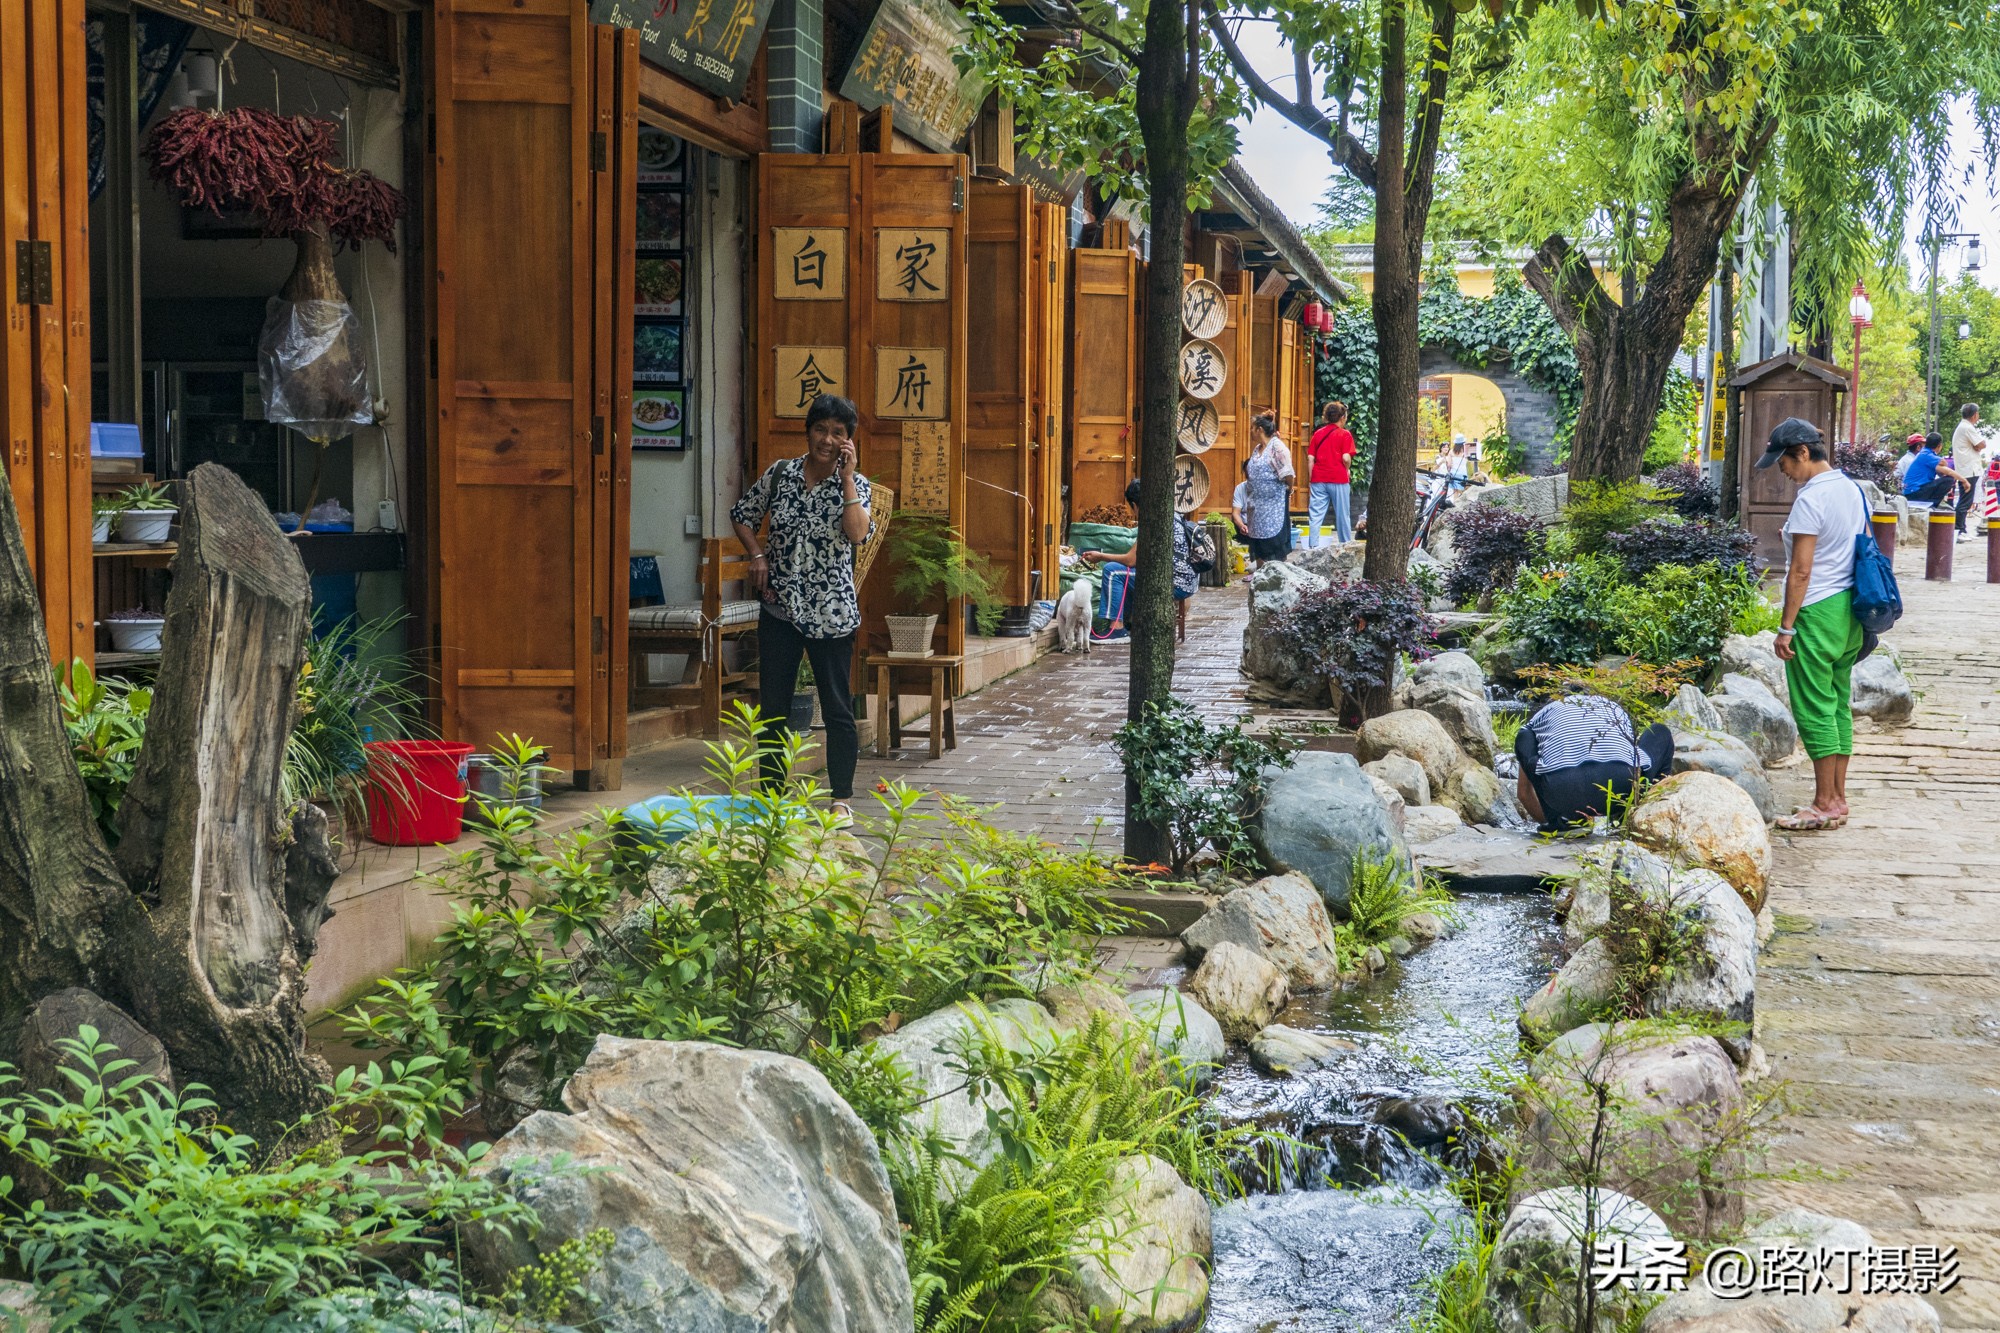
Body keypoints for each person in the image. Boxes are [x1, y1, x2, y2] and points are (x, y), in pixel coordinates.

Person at [730, 393, 872, 819]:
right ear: (808, 430)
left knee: (837, 708)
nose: (827, 439)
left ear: (848, 441)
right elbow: (742, 513)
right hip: (780, 613)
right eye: (820, 429)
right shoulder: (780, 475)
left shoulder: (856, 485)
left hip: (832, 616)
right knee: (773, 708)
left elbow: (857, 533)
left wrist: (846, 479)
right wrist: (757, 555)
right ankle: (772, 801)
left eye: (838, 433)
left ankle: (841, 800)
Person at [1760, 416, 1868, 831]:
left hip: (1817, 611)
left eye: (1783, 461)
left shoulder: (1811, 498)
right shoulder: (1851, 490)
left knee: (1814, 708)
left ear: (1802, 453)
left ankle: (1823, 802)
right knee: (1838, 703)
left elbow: (1800, 572)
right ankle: (1838, 799)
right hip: (1848, 611)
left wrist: (1786, 626)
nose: (1781, 470)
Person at [1514, 694, 1674, 832]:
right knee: (1659, 730)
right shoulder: (1612, 706)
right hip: (1623, 785)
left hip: (1563, 789)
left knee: (1524, 735)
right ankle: (1639, 817)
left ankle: (1560, 824)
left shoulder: (1545, 713)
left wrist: (1550, 820)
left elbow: (1523, 793)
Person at [1077, 478, 1200, 642]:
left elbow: (1131, 560)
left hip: (1175, 582)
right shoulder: (1171, 514)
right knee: (1124, 573)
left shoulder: (1152, 519)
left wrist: (1100, 556)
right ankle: (1126, 621)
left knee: (1113, 571)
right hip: (1189, 581)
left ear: (1135, 504)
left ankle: (1116, 629)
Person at [1241, 412, 1295, 569]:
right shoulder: (1257, 449)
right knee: (1258, 547)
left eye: (1252, 428)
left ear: (1259, 429)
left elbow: (1288, 474)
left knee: (1272, 547)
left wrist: (1289, 489)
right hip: (1256, 508)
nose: (1250, 431)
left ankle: (1275, 578)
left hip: (1273, 506)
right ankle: (1260, 578)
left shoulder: (1277, 448)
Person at [1305, 401, 1357, 547]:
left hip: (1319, 479)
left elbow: (1310, 458)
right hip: (1339, 479)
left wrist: (1311, 479)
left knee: (1315, 514)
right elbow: (1346, 457)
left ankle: (1313, 546)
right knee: (1342, 515)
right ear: (1342, 417)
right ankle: (1345, 545)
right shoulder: (1345, 435)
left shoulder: (1318, 434)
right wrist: (1347, 468)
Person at [1901, 431, 1966, 513]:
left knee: (1946, 479)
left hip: (1913, 491)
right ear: (1939, 446)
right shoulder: (1926, 455)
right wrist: (1965, 481)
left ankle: (1931, 503)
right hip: (1915, 492)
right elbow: (1946, 468)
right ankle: (1933, 504)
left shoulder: (1925, 454)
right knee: (1948, 480)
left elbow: (1943, 470)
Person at [1951, 403, 1984, 539]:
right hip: (1969, 469)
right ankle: (1959, 530)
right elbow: (1982, 444)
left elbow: (1978, 445)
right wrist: (1977, 446)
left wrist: (1976, 446)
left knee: (1965, 501)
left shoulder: (1963, 427)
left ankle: (1961, 528)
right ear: (1975, 414)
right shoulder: (1967, 427)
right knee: (1965, 502)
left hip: (1966, 468)